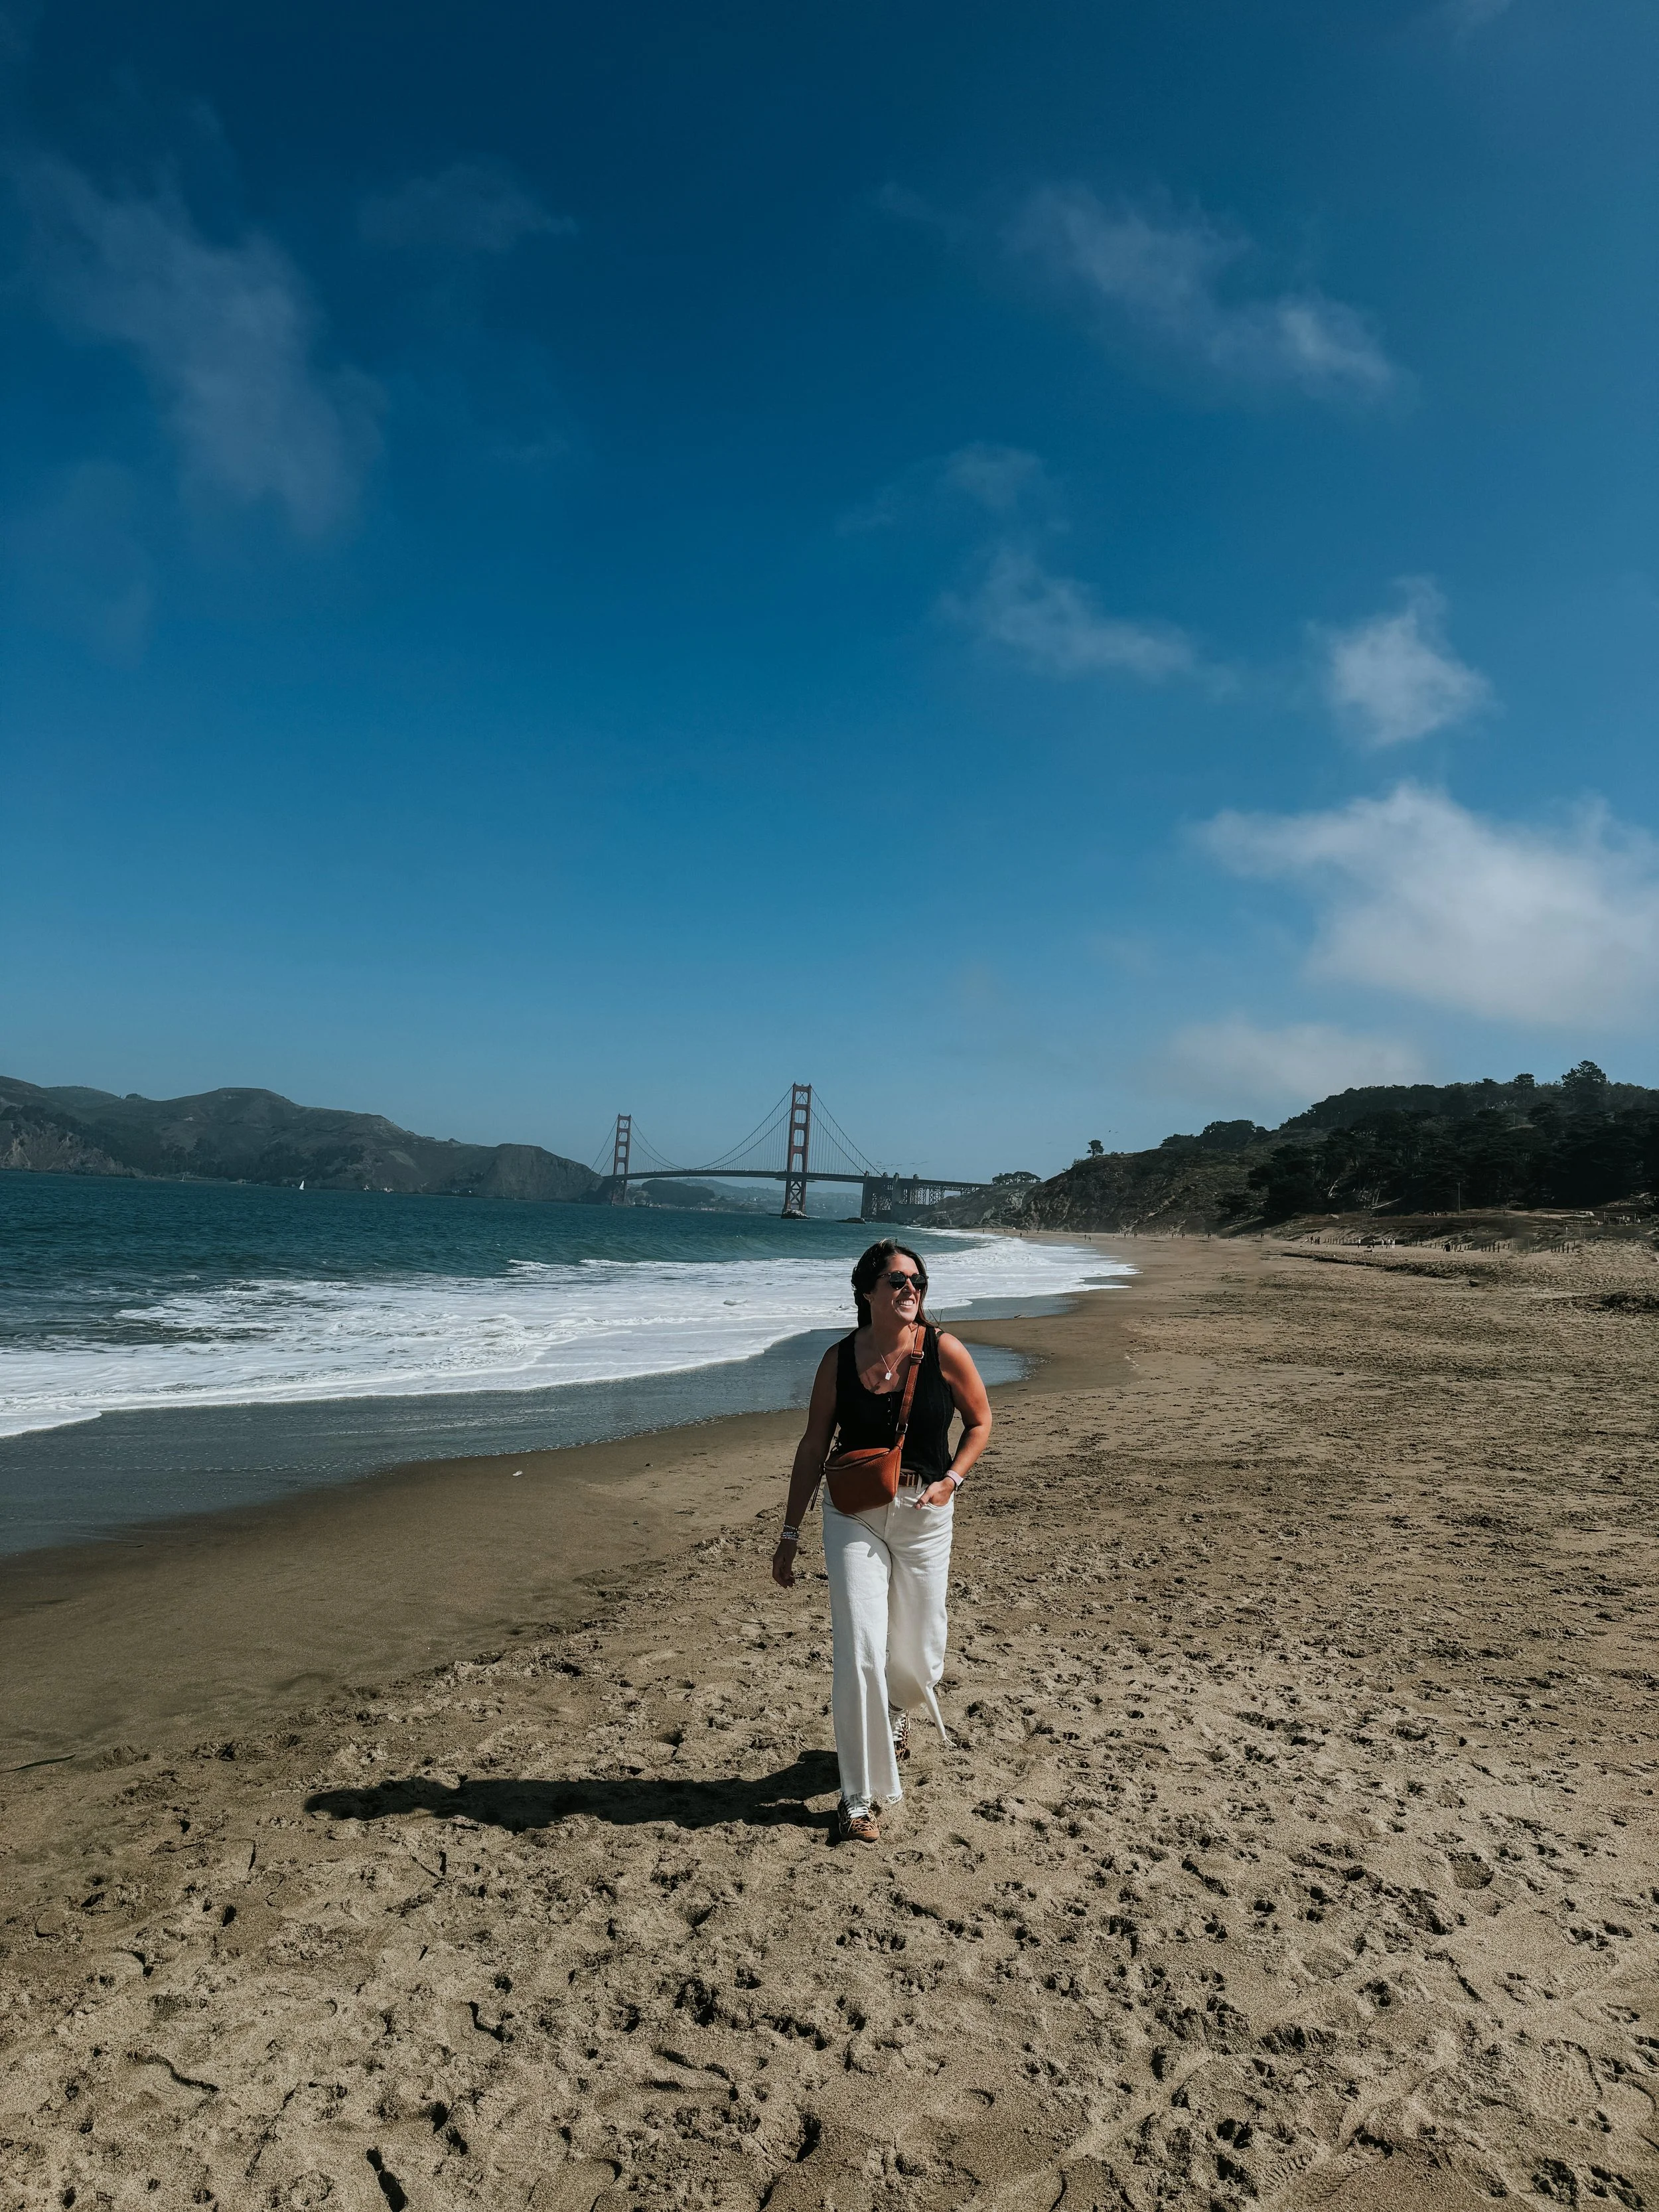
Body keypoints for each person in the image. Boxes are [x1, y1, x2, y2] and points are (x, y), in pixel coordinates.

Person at [770, 1238, 992, 1844]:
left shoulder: (944, 1349)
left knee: (920, 1656)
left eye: (917, 1280)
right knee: (860, 1651)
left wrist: (952, 1479)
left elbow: (980, 1422)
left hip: (925, 1511)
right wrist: (789, 1532)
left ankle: (895, 1712)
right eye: (896, 1280)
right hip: (854, 1514)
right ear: (866, 1291)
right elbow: (814, 1446)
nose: (910, 1289)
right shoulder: (838, 1359)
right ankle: (857, 1798)